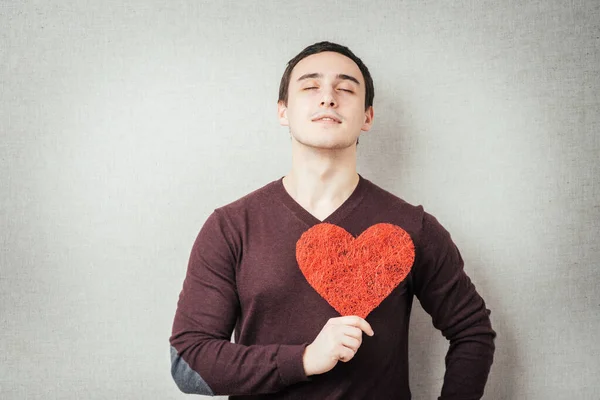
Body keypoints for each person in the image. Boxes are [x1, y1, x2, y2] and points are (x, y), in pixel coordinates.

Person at [169, 41, 496, 399]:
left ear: (368, 117)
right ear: (283, 111)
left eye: (345, 88)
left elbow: (472, 331)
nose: (328, 98)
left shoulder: (412, 226)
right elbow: (189, 364)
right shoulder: (230, 227)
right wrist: (306, 359)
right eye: (310, 87)